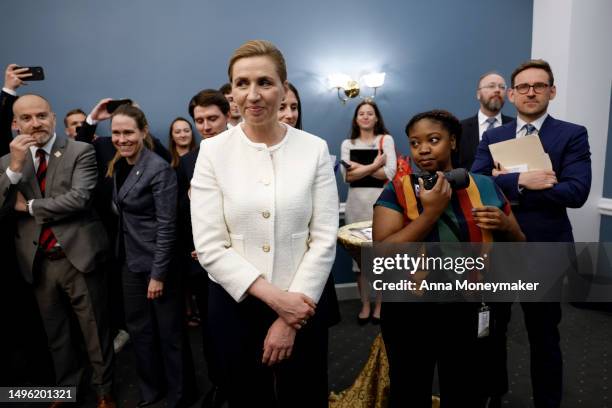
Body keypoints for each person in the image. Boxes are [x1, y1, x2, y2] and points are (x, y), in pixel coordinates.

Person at [191, 39, 338, 407]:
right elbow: (210, 246)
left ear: (283, 89)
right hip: (235, 304)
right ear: (232, 93)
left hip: (303, 301)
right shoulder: (212, 152)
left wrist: (291, 316)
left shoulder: (314, 148)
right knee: (245, 397)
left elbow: (323, 238)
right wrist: (278, 302)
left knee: (304, 396)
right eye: (242, 83)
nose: (253, 95)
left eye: (265, 82)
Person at [373, 109, 525, 408]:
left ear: (453, 142)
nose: (423, 149)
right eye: (415, 143)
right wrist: (430, 213)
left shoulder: (485, 186)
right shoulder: (398, 190)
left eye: (433, 139)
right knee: (408, 390)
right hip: (410, 311)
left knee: (465, 391)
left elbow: (521, 245)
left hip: (467, 309)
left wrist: (507, 226)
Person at [472, 59, 591, 408]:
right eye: (523, 86)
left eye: (539, 85)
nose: (531, 92)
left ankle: (547, 401)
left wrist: (502, 181)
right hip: (498, 247)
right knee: (493, 330)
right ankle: (493, 395)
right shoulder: (493, 136)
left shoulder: (572, 134)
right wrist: (522, 180)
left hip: (545, 248)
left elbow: (576, 192)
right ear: (511, 94)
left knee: (543, 335)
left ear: (551, 91)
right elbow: (478, 185)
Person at [0, 93, 116, 408]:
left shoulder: (80, 151)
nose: (35, 123)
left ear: (53, 118)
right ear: (15, 124)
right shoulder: (7, 162)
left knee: (95, 332)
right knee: (57, 336)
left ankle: (105, 393)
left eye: (41, 116)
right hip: (38, 263)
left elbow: (78, 199)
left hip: (78, 258)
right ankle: (65, 392)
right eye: (26, 118)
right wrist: (12, 169)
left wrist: (30, 206)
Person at [108, 104, 190, 408]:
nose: (121, 138)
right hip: (130, 262)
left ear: (143, 132)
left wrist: (158, 275)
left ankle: (180, 395)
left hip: (159, 264)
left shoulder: (158, 168)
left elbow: (168, 227)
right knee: (140, 331)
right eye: (116, 132)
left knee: (169, 334)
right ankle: (150, 390)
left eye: (128, 132)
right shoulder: (118, 164)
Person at [176, 89, 230, 408]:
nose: (206, 126)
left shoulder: (246, 151)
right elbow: (187, 211)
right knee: (210, 330)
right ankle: (219, 385)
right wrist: (197, 244)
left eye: (212, 119)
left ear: (227, 117)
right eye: (200, 120)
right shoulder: (188, 162)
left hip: (241, 255)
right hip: (203, 261)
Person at [277, 82, 341, 328]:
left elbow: (324, 227)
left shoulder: (315, 148)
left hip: (309, 269)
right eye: (283, 107)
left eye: (294, 107)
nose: (290, 114)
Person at [340, 99, 396, 324]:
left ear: (376, 118)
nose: (365, 116)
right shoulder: (348, 143)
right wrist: (375, 165)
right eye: (361, 113)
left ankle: (380, 305)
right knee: (360, 261)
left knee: (381, 258)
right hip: (355, 205)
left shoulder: (385, 140)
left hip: (381, 206)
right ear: (356, 118)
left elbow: (390, 173)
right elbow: (347, 176)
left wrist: (361, 169)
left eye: (369, 113)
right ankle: (365, 304)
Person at [457, 71, 514, 169]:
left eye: (502, 87)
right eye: (491, 86)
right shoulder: (460, 129)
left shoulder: (516, 126)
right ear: (478, 94)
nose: (497, 90)